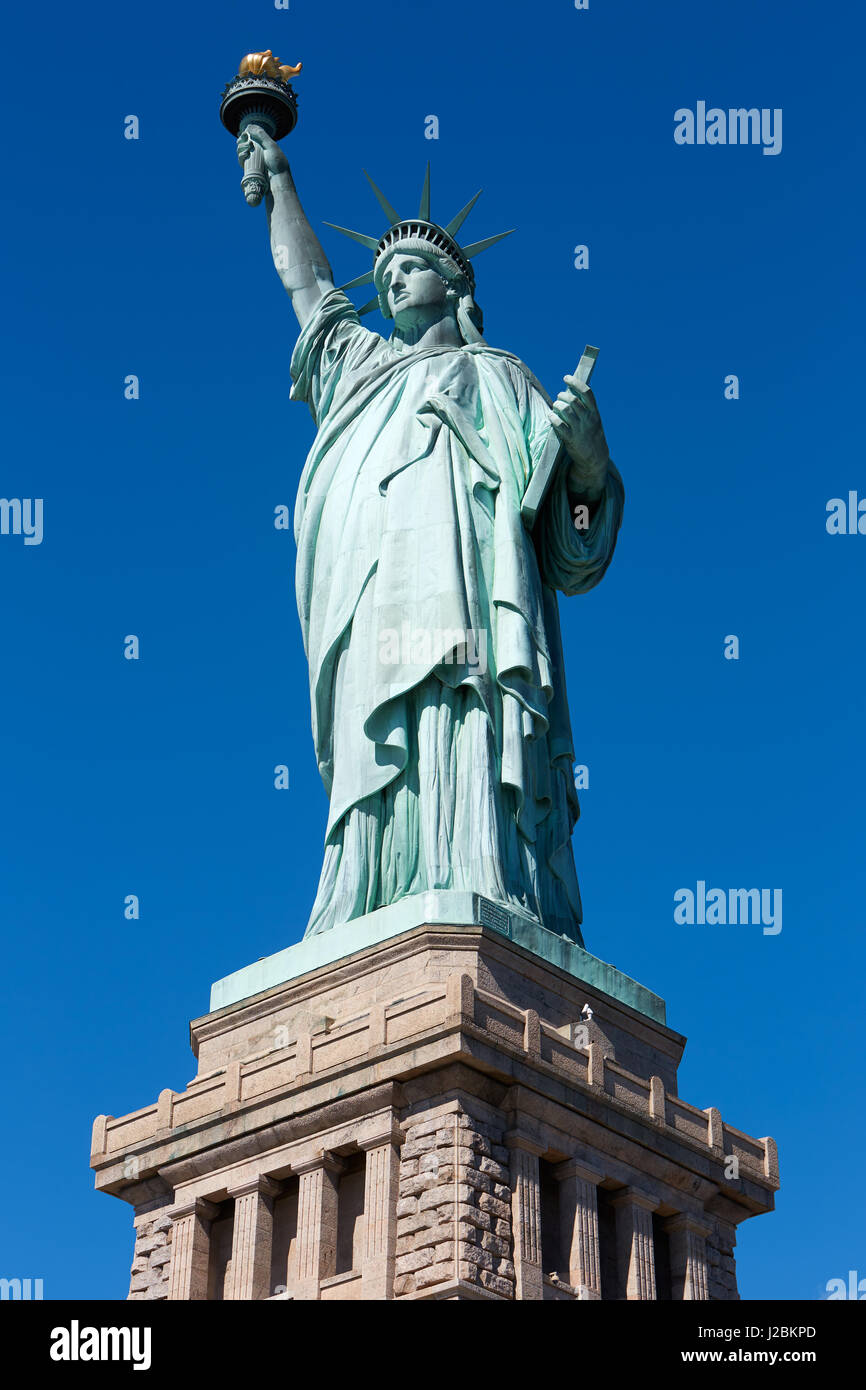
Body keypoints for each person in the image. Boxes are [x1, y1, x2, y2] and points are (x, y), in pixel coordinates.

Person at [237, 126, 624, 943]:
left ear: (451, 285)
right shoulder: (360, 371)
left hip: (475, 616)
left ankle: (481, 868)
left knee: (465, 720)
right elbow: (308, 288)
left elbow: (570, 546)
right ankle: (368, 894)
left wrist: (587, 468)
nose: (390, 282)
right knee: (380, 741)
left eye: (407, 269)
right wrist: (280, 185)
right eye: (380, 276)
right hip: (375, 600)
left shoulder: (502, 378)